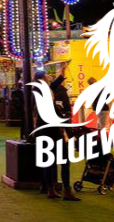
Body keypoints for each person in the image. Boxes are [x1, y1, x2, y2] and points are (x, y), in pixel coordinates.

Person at [33, 64, 79, 201]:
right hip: (53, 131)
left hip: (43, 131)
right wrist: (63, 116)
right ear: (42, 79)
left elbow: (53, 85)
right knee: (64, 160)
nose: (49, 77)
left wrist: (62, 73)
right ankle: (66, 190)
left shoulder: (39, 90)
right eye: (47, 76)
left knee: (49, 162)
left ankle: (51, 189)